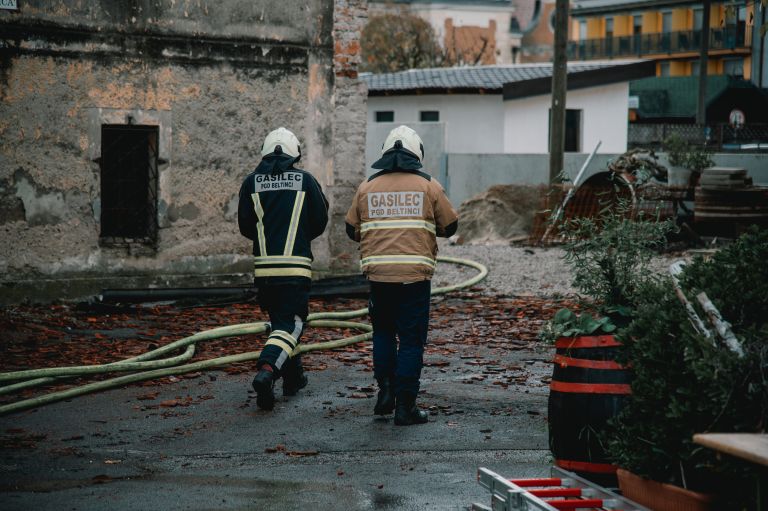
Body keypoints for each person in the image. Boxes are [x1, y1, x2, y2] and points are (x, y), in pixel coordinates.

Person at [345, 125, 458, 426]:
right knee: (410, 341)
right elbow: (450, 227)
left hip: (379, 278)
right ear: (416, 152)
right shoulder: (429, 185)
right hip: (414, 279)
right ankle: (405, 407)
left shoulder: (367, 186)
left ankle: (385, 391)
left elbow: (351, 230)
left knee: (383, 332)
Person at [238, 127, 329, 411]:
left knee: (281, 323)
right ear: (294, 155)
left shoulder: (251, 183)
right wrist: (300, 238)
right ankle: (267, 371)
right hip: (295, 268)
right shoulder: (305, 180)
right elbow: (320, 220)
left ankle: (293, 378)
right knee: (293, 325)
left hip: (265, 271)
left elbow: (245, 226)